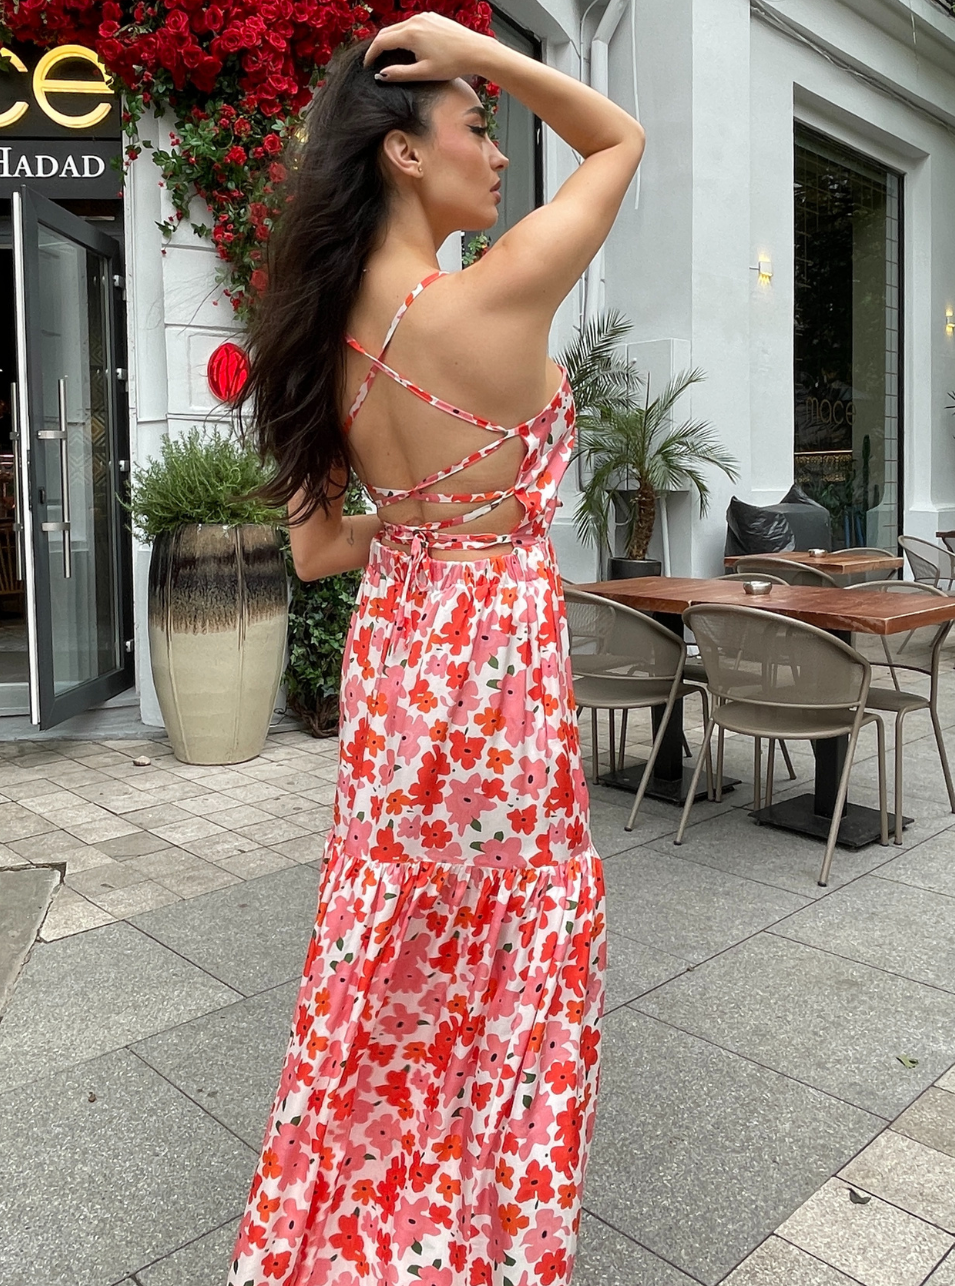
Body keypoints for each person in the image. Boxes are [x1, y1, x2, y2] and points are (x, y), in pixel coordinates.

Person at [229, 13, 643, 1285]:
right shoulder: (496, 290)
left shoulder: (310, 339)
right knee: (518, 944)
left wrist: (411, 525)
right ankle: (487, 1240)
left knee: (389, 944)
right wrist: (489, 45)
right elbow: (618, 137)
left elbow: (315, 555)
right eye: (477, 122)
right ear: (404, 153)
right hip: (499, 663)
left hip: (402, 654)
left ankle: (354, 1229)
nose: (502, 149)